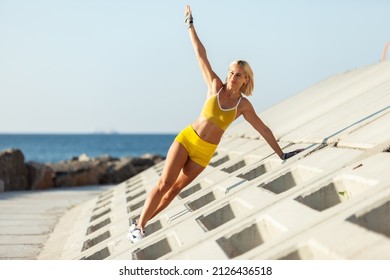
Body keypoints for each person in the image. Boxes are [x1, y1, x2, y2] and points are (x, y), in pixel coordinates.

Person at [127, 5, 302, 243]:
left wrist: (281, 154)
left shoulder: (243, 105)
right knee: (165, 182)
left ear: (245, 79)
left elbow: (262, 129)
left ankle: (141, 223)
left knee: (175, 189)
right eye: (231, 72)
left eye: (238, 74)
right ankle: (138, 226)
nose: (232, 77)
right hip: (188, 140)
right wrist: (190, 25)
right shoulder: (214, 86)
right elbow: (201, 54)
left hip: (204, 153)